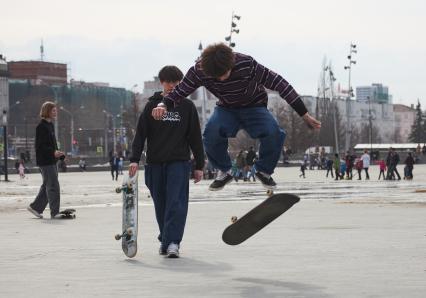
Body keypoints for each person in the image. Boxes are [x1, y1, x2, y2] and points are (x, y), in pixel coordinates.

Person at [151, 43, 321, 191]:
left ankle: (264, 170)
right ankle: (225, 171)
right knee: (211, 133)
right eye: (217, 76)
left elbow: (280, 84)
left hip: (254, 106)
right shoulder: (199, 70)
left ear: (231, 62)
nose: (222, 78)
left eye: (225, 73)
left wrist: (304, 114)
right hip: (227, 109)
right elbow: (181, 91)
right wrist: (163, 104)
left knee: (273, 132)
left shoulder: (246, 64)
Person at [128, 65, 204, 258]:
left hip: (178, 163)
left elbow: (195, 137)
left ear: (181, 83)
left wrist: (199, 166)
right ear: (161, 82)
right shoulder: (151, 105)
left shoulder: (187, 107)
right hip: (154, 163)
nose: (171, 85)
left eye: (175, 82)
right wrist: (134, 159)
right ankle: (166, 238)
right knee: (161, 204)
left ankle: (172, 243)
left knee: (176, 203)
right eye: (167, 82)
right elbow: (140, 135)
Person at [27, 101, 65, 219]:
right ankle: (54, 212)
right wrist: (52, 152)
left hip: (52, 160)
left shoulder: (50, 125)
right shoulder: (41, 127)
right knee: (53, 185)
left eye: (55, 110)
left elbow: (52, 143)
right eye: (53, 110)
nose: (55, 112)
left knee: (47, 185)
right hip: (45, 161)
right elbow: (40, 146)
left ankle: (35, 207)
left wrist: (59, 154)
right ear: (47, 111)